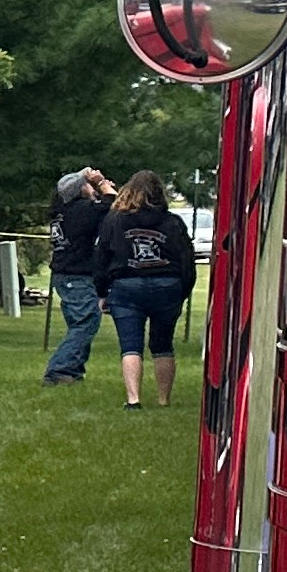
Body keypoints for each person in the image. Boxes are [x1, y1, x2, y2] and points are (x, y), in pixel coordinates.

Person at [100, 171, 199, 409]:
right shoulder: (173, 222)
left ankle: (133, 399)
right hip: (167, 285)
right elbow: (186, 259)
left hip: (126, 286)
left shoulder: (115, 220)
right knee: (163, 344)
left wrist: (101, 291)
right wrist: (182, 290)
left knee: (130, 345)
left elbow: (102, 256)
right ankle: (164, 399)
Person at [46, 166, 111, 384]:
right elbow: (114, 203)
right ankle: (59, 369)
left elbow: (63, 191)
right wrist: (101, 183)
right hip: (77, 275)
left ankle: (73, 371)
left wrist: (81, 178)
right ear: (81, 190)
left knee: (79, 323)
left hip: (63, 274)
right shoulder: (82, 210)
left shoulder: (59, 210)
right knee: (86, 322)